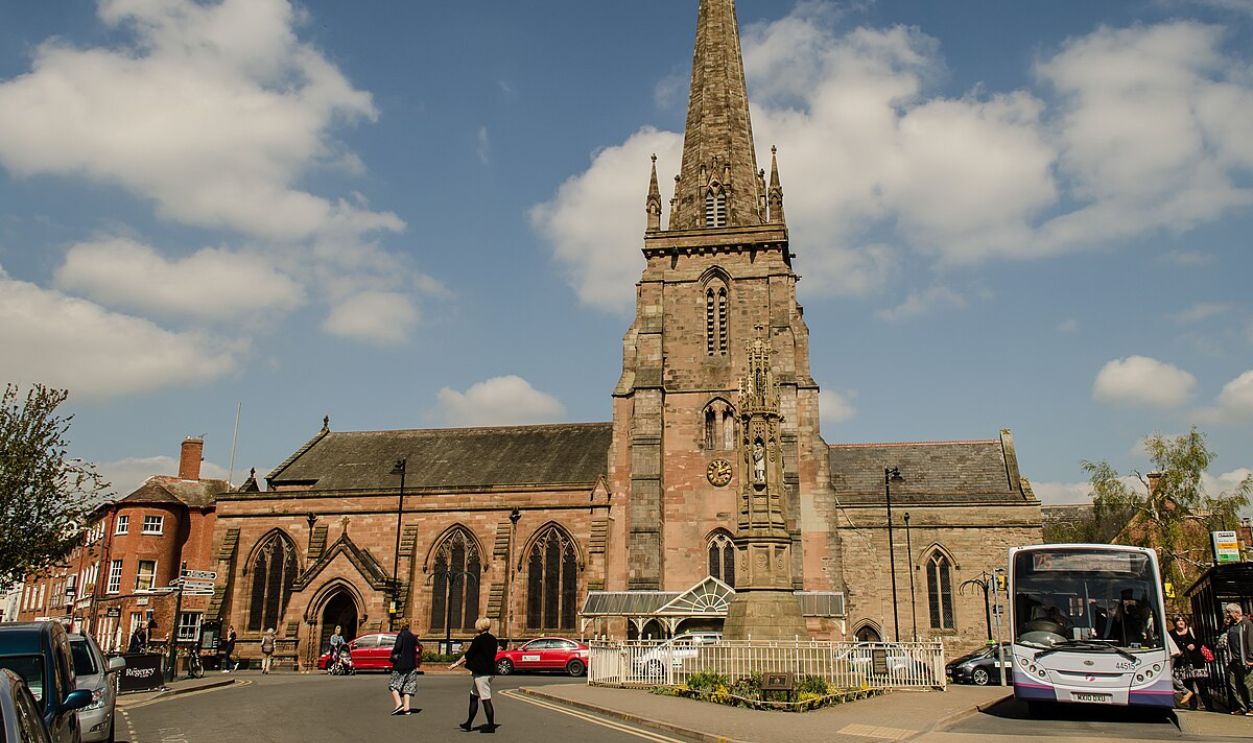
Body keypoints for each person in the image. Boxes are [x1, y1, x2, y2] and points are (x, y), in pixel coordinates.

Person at [450, 618, 499, 733]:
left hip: (481, 673)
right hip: (489, 672)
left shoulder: (479, 639)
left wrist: (456, 664)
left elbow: (468, 654)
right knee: (473, 697)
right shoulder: (493, 639)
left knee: (486, 699)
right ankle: (468, 723)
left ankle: (491, 726)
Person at [1169, 615, 1211, 711]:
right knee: (1188, 685)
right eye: (1178, 621)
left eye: (1183, 620)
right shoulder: (1171, 634)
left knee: (1202, 685)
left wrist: (1194, 645)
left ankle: (1208, 705)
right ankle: (1193, 705)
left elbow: (1201, 641)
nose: (1181, 622)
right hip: (1182, 663)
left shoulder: (1192, 631)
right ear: (1175, 623)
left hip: (1196, 663)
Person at [1224, 603, 1253, 715]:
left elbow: (1251, 641)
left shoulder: (1247, 624)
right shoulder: (1231, 625)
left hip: (1244, 659)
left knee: (1248, 684)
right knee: (1234, 684)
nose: (1228, 614)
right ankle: (1242, 707)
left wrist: (1250, 658)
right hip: (1233, 660)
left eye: (1229, 612)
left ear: (1236, 612)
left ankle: (1252, 707)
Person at [388, 620, 420, 715]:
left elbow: (397, 648)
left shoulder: (401, 635)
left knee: (393, 685)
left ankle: (399, 704)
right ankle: (407, 708)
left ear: (400, 625)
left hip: (401, 664)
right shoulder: (412, 636)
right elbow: (417, 648)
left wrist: (393, 653)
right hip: (411, 665)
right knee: (408, 686)